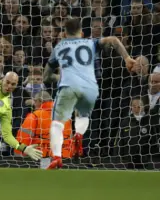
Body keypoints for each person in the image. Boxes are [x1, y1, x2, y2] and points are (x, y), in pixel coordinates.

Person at [43, 18, 135, 169]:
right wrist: (127, 58)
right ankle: (81, 136)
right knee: (87, 114)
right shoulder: (90, 43)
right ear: (82, 33)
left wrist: (60, 77)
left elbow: (46, 76)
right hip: (91, 86)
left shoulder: (59, 48)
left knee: (58, 121)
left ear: (65, 34)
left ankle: (57, 157)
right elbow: (113, 40)